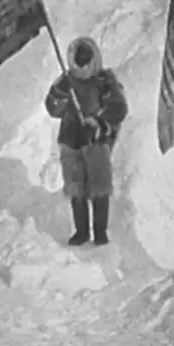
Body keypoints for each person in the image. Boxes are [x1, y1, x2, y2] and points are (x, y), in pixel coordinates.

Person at [45, 36, 128, 246]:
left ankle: (100, 232)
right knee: (76, 187)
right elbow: (53, 109)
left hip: (95, 140)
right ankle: (81, 231)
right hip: (70, 139)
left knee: (99, 186)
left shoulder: (104, 81)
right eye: (78, 56)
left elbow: (118, 108)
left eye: (85, 56)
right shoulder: (66, 81)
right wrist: (59, 92)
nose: (82, 61)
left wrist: (98, 124)